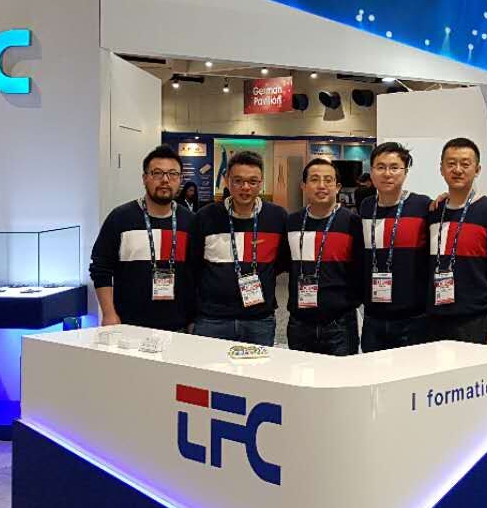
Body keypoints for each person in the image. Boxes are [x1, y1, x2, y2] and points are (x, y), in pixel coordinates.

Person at [88, 145, 194, 332]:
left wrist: (194, 319)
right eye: (157, 173)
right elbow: (100, 268)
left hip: (179, 326)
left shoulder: (190, 221)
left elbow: (197, 275)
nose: (165, 180)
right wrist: (109, 313)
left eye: (173, 174)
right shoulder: (120, 218)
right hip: (128, 324)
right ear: (145, 178)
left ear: (180, 180)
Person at [189, 150, 287, 346]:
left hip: (259, 319)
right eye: (238, 181)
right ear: (227, 180)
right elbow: (193, 266)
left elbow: (282, 261)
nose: (245, 187)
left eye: (252, 181)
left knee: (258, 366)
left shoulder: (277, 217)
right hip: (212, 319)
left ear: (261, 183)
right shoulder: (205, 216)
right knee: (208, 366)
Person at [425, 138, 487, 344]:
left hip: (475, 320)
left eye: (465, 164)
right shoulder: (433, 211)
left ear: (477, 170)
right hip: (432, 319)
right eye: (451, 163)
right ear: (441, 169)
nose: (458, 170)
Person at [282, 157, 364, 354]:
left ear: (338, 187)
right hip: (299, 323)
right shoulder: (292, 222)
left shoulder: (352, 223)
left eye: (328, 180)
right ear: (303, 186)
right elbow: (283, 262)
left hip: (340, 324)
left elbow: (361, 268)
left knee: (341, 373)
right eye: (314, 179)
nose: (321, 185)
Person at [358, 141, 431, 351]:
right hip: (373, 316)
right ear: (372, 172)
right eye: (380, 167)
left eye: (394, 167)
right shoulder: (366, 207)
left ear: (405, 171)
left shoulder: (422, 205)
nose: (387, 174)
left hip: (413, 317)